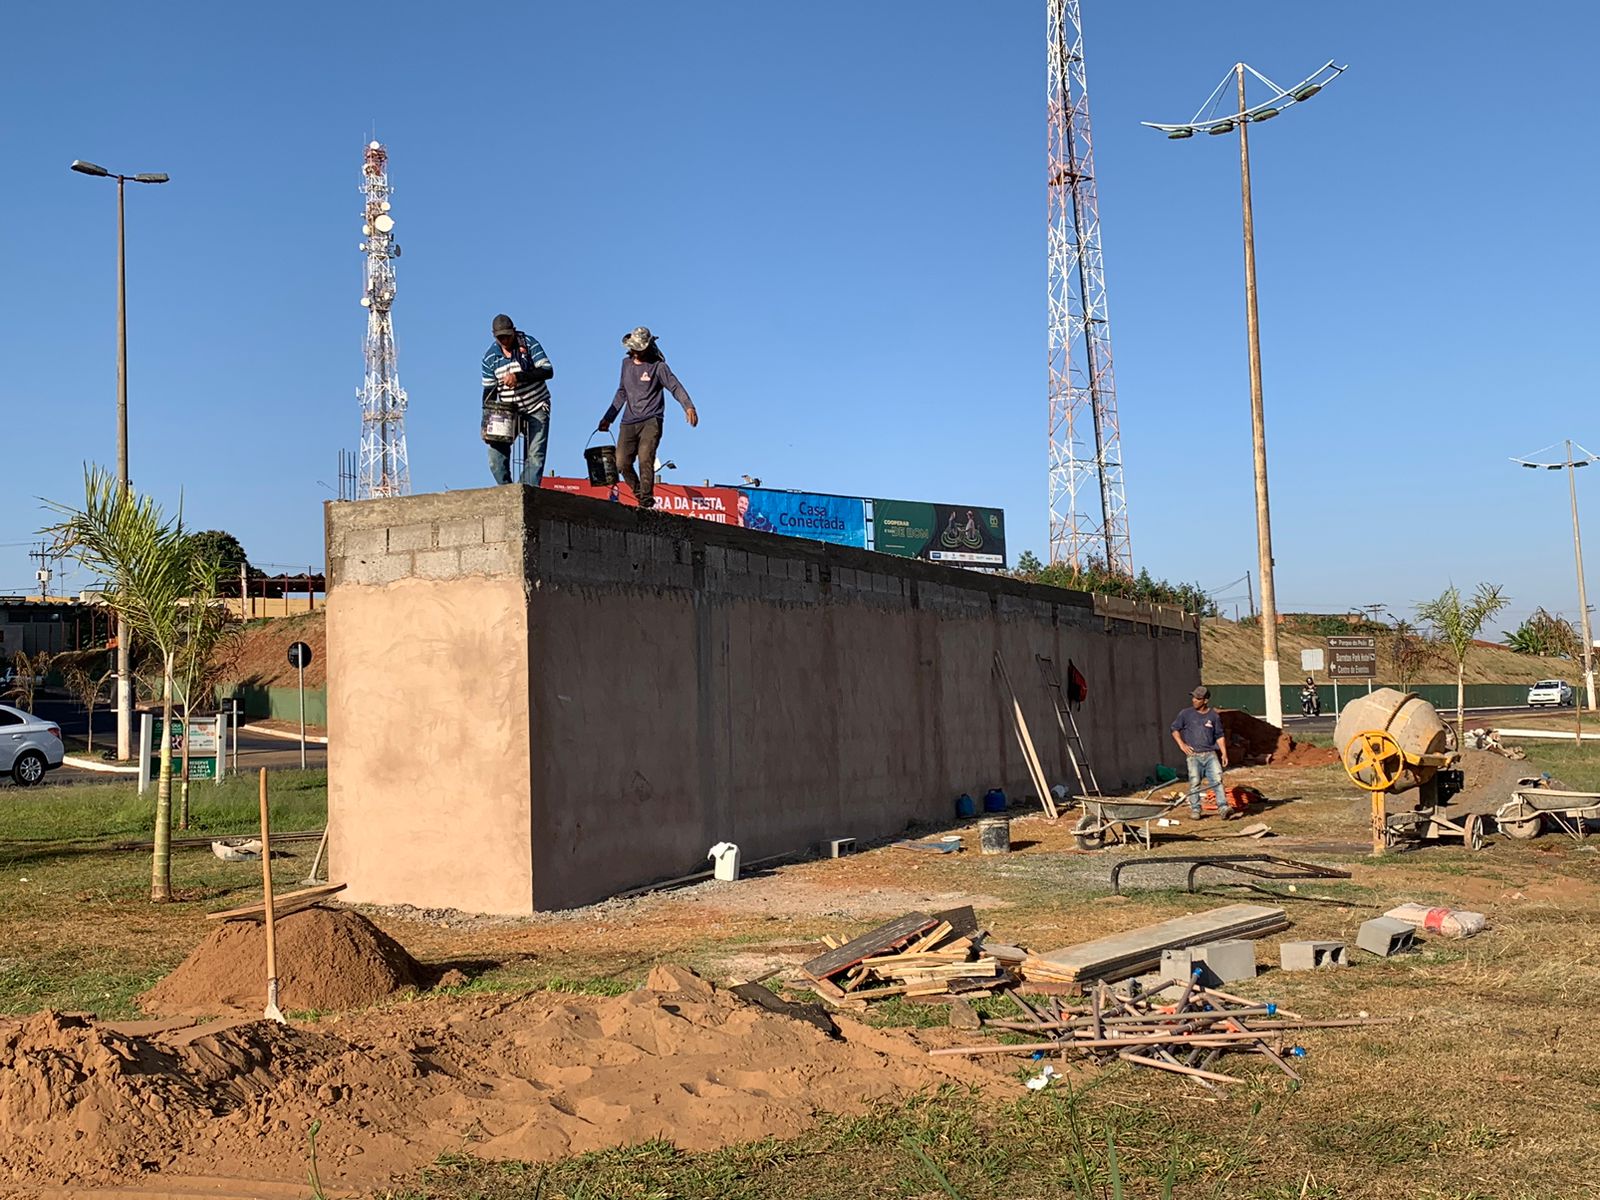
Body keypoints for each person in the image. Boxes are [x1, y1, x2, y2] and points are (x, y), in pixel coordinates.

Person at [597, 326, 698, 509]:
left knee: (645, 458)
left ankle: (646, 500)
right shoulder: (626, 364)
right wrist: (608, 418)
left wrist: (688, 406)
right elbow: (622, 392)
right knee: (621, 462)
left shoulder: (658, 367)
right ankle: (639, 493)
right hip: (629, 421)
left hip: (651, 420)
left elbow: (675, 386)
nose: (637, 352)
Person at [481, 313, 554, 486]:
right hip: (508, 411)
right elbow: (489, 392)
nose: (505, 340)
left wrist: (518, 377)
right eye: (500, 337)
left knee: (535, 456)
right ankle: (506, 491)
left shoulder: (529, 344)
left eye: (507, 335)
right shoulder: (490, 359)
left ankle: (527, 491)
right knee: (495, 455)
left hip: (536, 405)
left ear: (514, 331)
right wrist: (485, 423)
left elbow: (547, 371)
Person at [1171, 686, 1231, 820]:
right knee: (1194, 782)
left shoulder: (1213, 716)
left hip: (1210, 755)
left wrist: (1224, 753)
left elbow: (1219, 735)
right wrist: (1182, 745)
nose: (1194, 700)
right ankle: (1196, 809)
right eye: (1193, 697)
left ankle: (1223, 808)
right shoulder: (1185, 714)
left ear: (1205, 701)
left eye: (1198, 699)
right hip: (1193, 756)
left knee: (1217, 781)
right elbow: (1175, 729)